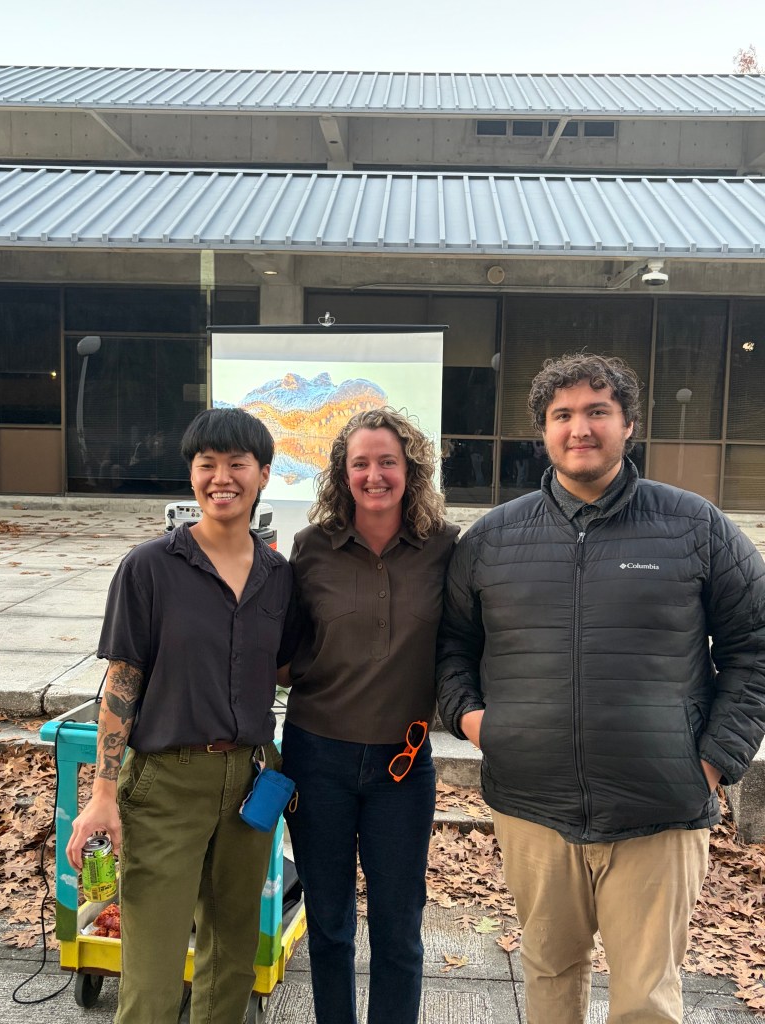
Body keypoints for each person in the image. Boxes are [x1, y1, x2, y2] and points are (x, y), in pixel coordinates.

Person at [436, 352, 765, 1024]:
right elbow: (452, 649)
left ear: (628, 425)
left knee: (646, 999)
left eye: (596, 412)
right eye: (563, 415)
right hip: (533, 810)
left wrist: (712, 762)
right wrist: (475, 723)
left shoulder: (694, 526)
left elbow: (753, 648)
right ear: (544, 432)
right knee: (551, 976)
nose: (579, 427)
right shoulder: (493, 539)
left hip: (661, 808)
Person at [66, 407, 294, 1024]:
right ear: (191, 476)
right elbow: (122, 683)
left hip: (249, 783)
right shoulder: (150, 568)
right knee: (153, 970)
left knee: (231, 962)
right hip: (166, 783)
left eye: (237, 464)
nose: (222, 478)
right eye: (207, 465)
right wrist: (103, 793)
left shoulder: (279, 578)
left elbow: (288, 670)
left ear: (264, 474)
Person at [280, 407, 459, 1024]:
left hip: (403, 766)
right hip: (316, 757)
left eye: (389, 462)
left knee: (399, 928)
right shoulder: (311, 550)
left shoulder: (445, 549)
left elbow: (464, 643)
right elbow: (281, 649)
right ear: (342, 473)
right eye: (361, 463)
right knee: (329, 926)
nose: (375, 475)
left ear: (412, 470)